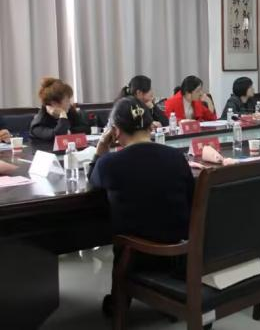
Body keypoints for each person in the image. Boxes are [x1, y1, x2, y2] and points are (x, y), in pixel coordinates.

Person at [89, 97, 194, 316]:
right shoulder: (176, 157)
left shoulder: (110, 164)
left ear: (115, 131)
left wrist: (101, 149)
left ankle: (119, 301)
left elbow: (93, 180)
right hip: (178, 253)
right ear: (150, 126)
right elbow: (190, 198)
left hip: (135, 255)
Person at [30, 77, 89, 142]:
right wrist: (62, 115)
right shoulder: (38, 124)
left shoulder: (69, 111)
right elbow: (59, 137)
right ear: (54, 103)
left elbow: (86, 129)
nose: (70, 103)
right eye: (67, 101)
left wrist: (69, 131)